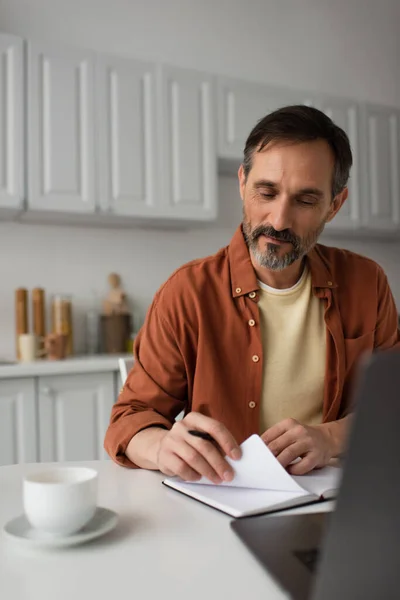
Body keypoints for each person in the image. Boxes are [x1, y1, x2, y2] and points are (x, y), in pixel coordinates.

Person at [104, 105, 400, 483]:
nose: (279, 220)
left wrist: (328, 438)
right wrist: (161, 446)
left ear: (334, 205)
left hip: (332, 501)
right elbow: (129, 420)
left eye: (306, 200)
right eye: (266, 192)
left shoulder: (367, 282)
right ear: (242, 183)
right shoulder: (187, 293)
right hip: (221, 504)